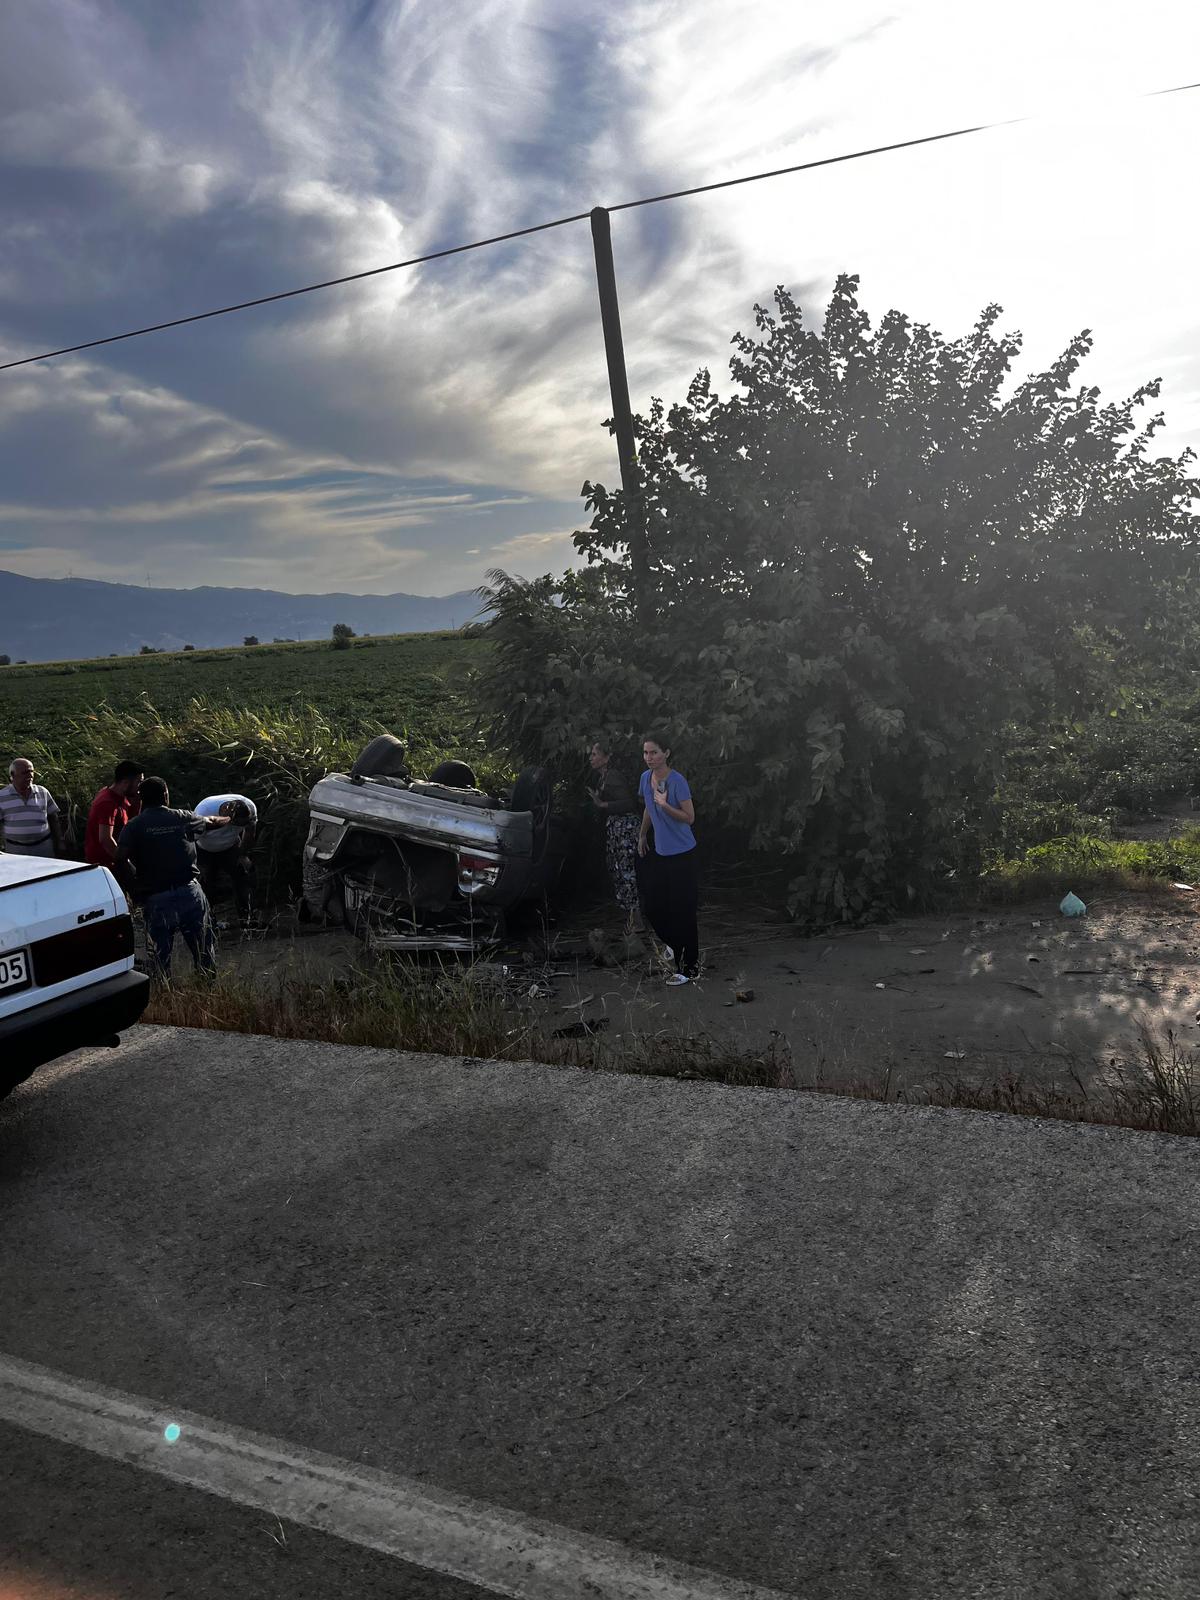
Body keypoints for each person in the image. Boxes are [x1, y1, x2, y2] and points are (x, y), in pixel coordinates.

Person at [114, 778, 230, 980]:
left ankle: (166, 996)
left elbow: (119, 858)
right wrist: (229, 818)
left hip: (156, 898)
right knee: (204, 951)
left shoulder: (134, 826)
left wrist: (134, 889)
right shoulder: (183, 818)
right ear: (165, 795)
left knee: (160, 957)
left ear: (141, 800)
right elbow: (211, 822)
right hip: (189, 892)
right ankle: (209, 993)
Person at [637, 731, 700, 985]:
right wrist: (642, 835)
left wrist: (665, 805)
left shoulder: (677, 781)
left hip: (683, 854)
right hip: (661, 854)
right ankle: (675, 944)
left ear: (666, 754)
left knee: (683, 911)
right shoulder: (645, 778)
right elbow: (648, 808)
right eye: (646, 753)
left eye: (654, 752)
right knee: (652, 906)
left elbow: (689, 817)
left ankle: (689, 968)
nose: (649, 758)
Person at [586, 739, 640, 926]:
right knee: (617, 870)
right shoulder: (604, 777)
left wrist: (602, 804)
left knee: (627, 871)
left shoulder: (613, 777)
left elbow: (628, 803)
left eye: (594, 754)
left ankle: (636, 918)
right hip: (616, 828)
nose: (591, 758)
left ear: (606, 757)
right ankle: (630, 915)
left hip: (625, 828)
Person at [194, 793, 258, 925]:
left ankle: (247, 919)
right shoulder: (204, 810)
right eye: (235, 824)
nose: (236, 827)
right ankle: (207, 923)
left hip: (231, 846)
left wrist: (243, 855)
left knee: (243, 876)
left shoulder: (250, 807)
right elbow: (190, 837)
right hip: (204, 848)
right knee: (206, 884)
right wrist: (195, 862)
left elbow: (250, 831)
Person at [84, 759, 144, 868]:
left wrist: (138, 802)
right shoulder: (108, 803)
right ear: (125, 783)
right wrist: (126, 864)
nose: (140, 787)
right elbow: (105, 839)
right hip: (105, 866)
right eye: (139, 782)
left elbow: (132, 824)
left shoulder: (122, 797)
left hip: (113, 861)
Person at [0, 758, 64, 857]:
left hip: (43, 847)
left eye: (31, 771)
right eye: (25, 772)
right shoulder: (2, 796)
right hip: (15, 850)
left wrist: (60, 842)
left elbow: (53, 818)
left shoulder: (42, 792)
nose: (30, 775)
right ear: (12, 775)